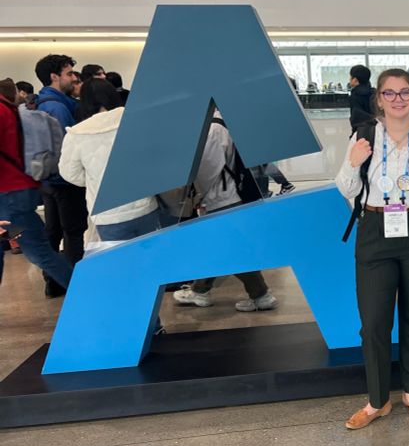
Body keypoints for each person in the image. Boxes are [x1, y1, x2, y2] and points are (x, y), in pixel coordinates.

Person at [336, 68, 409, 429]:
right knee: (373, 321)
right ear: (379, 99)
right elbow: (345, 187)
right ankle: (377, 401)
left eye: (404, 93)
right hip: (375, 229)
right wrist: (354, 164)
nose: (398, 99)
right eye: (390, 93)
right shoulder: (363, 135)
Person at [173, 112, 278, 312]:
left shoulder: (213, 128)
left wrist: (198, 197)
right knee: (220, 245)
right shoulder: (227, 121)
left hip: (221, 197)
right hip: (230, 193)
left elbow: (208, 170)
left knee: (233, 248)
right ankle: (200, 290)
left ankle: (261, 295)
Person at [58, 79, 160, 244]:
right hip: (145, 205)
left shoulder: (77, 134)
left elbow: (69, 173)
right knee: (153, 260)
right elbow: (154, 158)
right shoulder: (136, 120)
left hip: (107, 214)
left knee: (121, 265)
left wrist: (95, 179)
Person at [0, 79, 74, 290]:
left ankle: (87, 294)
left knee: (38, 251)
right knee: (37, 249)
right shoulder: (11, 111)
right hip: (17, 193)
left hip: (9, 199)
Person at [33, 55, 87, 295]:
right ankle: (75, 282)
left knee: (54, 230)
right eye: (69, 73)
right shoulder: (57, 106)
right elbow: (69, 144)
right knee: (73, 232)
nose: (73, 78)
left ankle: (54, 282)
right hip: (64, 179)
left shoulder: (42, 103)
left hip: (48, 179)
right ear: (54, 76)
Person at [348, 64, 375, 129]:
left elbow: (356, 118)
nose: (349, 79)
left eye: (350, 77)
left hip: (361, 131)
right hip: (376, 129)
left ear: (355, 80)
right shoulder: (374, 93)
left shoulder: (355, 95)